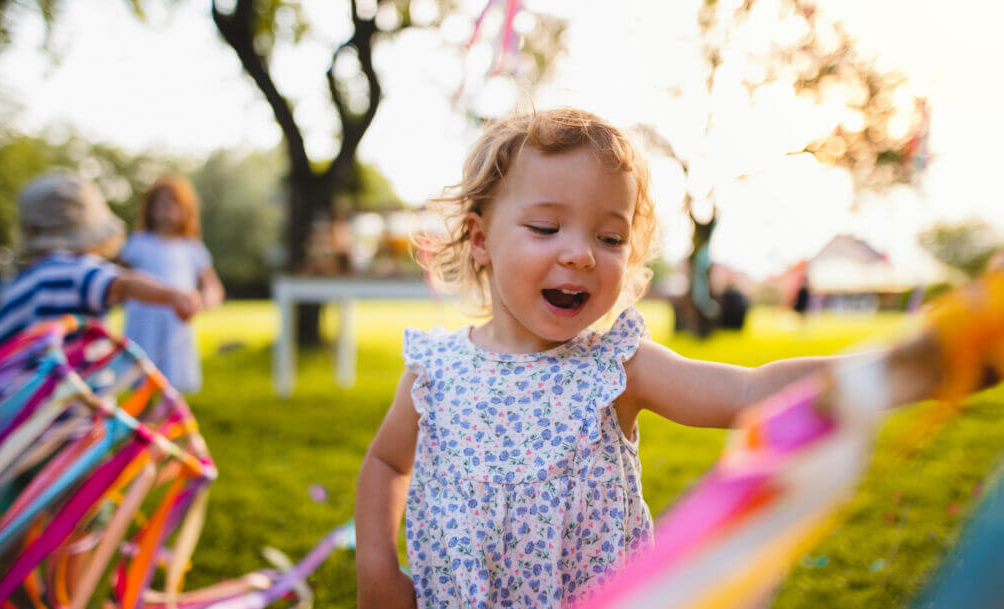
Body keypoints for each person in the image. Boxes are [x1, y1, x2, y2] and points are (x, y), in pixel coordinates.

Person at [352, 109, 851, 609]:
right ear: (481, 239)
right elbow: (385, 462)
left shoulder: (617, 370)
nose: (581, 254)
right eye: (547, 227)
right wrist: (376, 569)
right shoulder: (435, 373)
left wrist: (872, 371)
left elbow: (744, 392)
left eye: (610, 238)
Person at [0, 171, 200, 347]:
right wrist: (173, 295)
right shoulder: (75, 270)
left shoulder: (15, 287)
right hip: (77, 391)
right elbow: (123, 285)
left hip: (29, 396)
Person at [120, 175, 224, 394]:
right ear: (149, 207)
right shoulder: (138, 243)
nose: (165, 207)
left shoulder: (192, 247)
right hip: (143, 320)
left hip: (176, 323)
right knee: (141, 380)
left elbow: (212, 287)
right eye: (159, 201)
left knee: (173, 386)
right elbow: (118, 278)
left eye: (172, 201)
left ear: (186, 209)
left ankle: (169, 424)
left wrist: (203, 301)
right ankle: (141, 423)